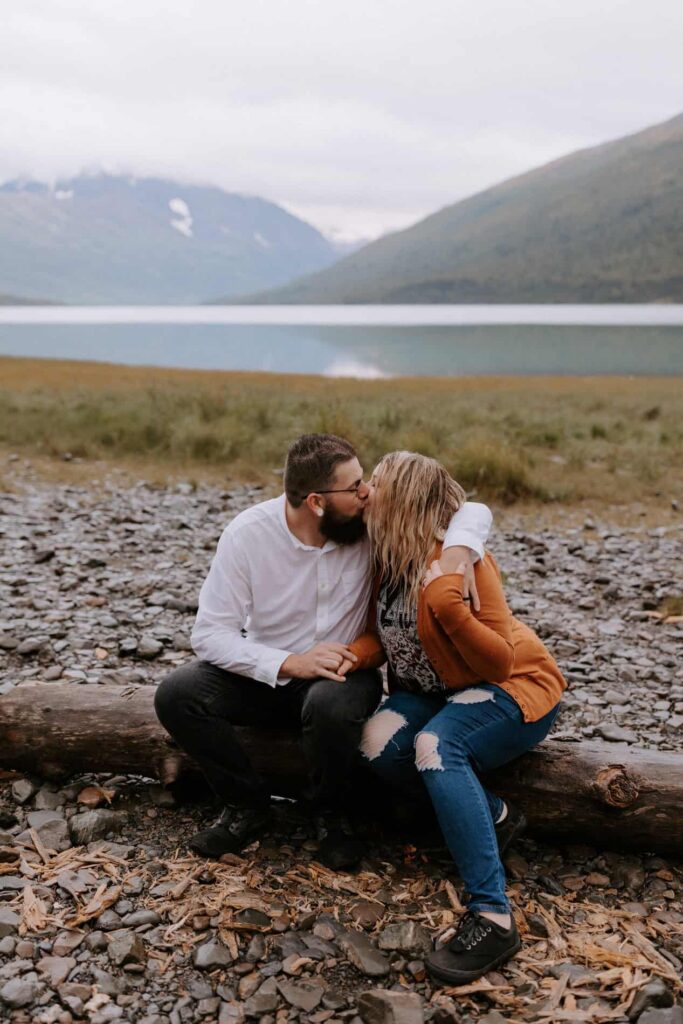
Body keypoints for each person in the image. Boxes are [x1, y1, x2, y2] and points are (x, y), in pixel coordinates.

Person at [154, 434, 493, 862]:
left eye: (364, 481)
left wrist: (461, 545)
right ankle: (246, 807)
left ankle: (329, 813)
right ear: (316, 501)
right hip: (268, 674)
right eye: (354, 487)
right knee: (177, 694)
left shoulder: (369, 527)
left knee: (331, 705)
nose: (366, 492)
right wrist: (290, 662)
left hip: (342, 675)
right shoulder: (248, 535)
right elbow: (209, 634)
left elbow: (470, 509)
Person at [346, 451, 566, 985]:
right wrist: (353, 654)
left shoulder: (462, 562)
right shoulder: (388, 558)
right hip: (439, 691)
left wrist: (448, 603)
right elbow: (391, 634)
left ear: (401, 498)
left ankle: (492, 916)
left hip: (510, 688)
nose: (367, 491)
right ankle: (493, 816)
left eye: (375, 482)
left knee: (436, 748)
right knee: (375, 743)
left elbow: (499, 660)